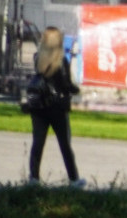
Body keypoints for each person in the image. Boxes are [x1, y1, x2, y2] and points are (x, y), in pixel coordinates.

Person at [28, 26, 83, 187]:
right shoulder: (61, 61)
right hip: (57, 108)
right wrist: (77, 89)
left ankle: (34, 178)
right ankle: (73, 179)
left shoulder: (38, 58)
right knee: (65, 145)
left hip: (38, 108)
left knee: (37, 143)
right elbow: (66, 86)